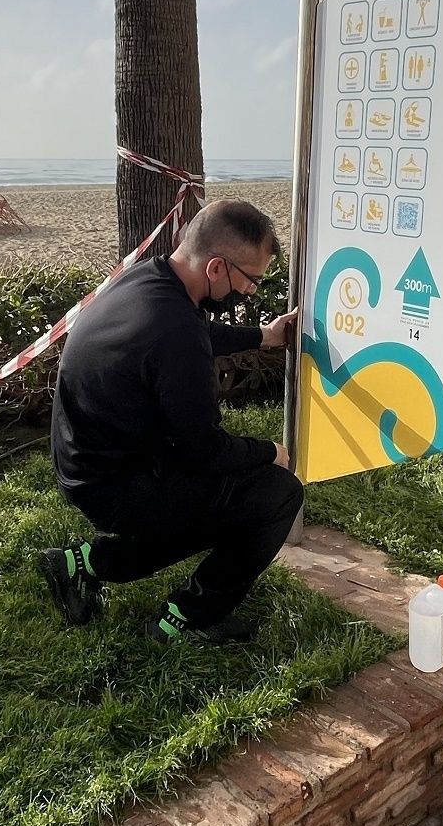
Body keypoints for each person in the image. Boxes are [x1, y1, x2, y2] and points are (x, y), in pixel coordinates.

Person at [41, 199, 302, 645]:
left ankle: (83, 562)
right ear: (217, 268)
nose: (254, 291)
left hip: (86, 463)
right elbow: (203, 449)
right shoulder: (176, 331)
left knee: (212, 505)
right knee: (275, 493)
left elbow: (195, 333)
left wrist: (265, 336)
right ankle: (187, 619)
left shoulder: (150, 278)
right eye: (253, 279)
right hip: (114, 484)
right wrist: (271, 453)